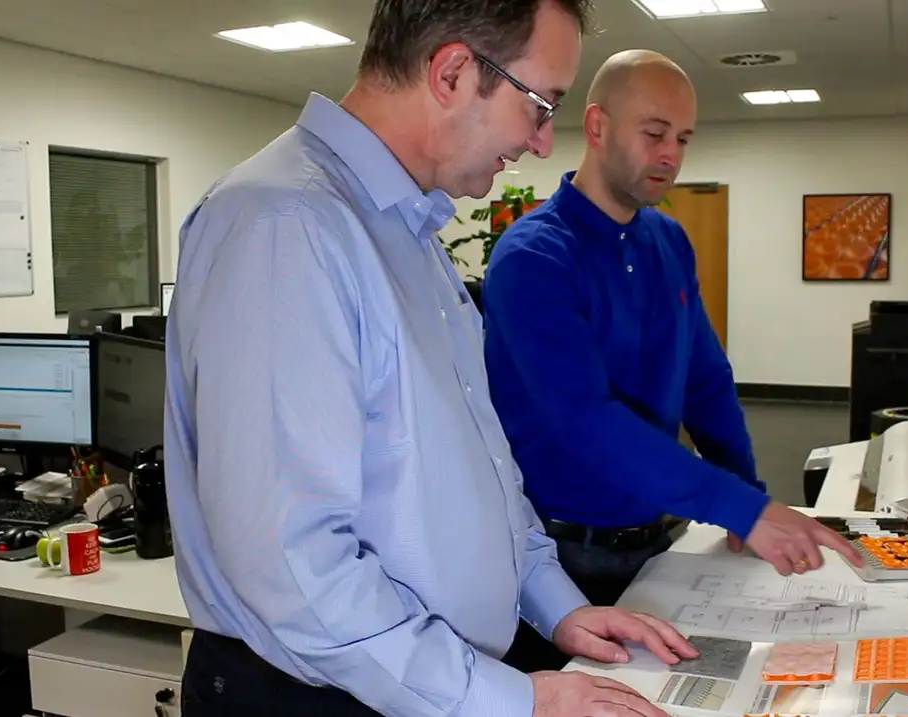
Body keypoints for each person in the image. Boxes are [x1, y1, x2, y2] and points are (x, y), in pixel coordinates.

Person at [163, 4, 701, 717]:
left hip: (415, 679)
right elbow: (295, 570)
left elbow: (482, 468)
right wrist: (511, 699)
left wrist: (559, 607)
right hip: (319, 696)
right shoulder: (286, 226)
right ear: (452, 72)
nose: (543, 142)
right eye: (539, 106)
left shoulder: (406, 227)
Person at [484, 50, 865, 670]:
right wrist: (741, 508)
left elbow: (705, 381)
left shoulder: (668, 239)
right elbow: (585, 420)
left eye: (683, 138)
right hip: (559, 556)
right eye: (655, 133)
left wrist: (746, 498)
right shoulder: (534, 257)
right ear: (599, 124)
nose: (671, 155)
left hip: (657, 540)